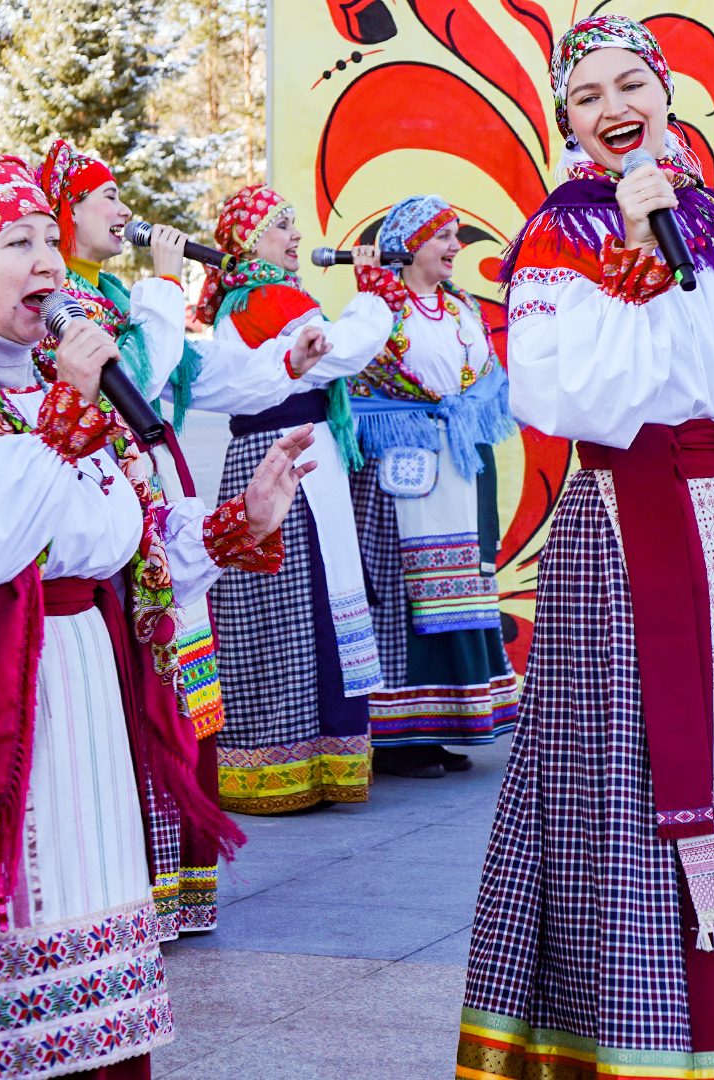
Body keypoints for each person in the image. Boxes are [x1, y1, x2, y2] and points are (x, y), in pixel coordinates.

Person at [457, 19, 714, 1078]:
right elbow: (555, 393)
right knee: (625, 769)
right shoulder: (558, 234)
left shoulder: (711, 222)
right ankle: (637, 1033)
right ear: (568, 121)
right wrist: (630, 273)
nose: (613, 105)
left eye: (632, 83)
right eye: (586, 95)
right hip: (624, 524)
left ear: (668, 100)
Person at [0, 154, 304, 1077]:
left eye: (46, 241)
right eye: (14, 242)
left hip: (86, 678)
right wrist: (65, 410)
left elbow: (126, 535)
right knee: (2, 926)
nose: (49, 264)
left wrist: (237, 522)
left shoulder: (70, 391)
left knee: (93, 906)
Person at [31, 136, 235, 934]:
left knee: (179, 666)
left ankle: (178, 881)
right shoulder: (66, 304)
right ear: (65, 213)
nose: (124, 211)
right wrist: (160, 285)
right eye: (105, 197)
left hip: (149, 473)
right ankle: (143, 882)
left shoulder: (106, 289)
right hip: (107, 488)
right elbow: (141, 377)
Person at [195, 184, 395, 813]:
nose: (295, 233)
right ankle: (288, 762)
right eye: (281, 223)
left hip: (294, 452)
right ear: (248, 238)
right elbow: (338, 354)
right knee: (295, 607)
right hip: (286, 456)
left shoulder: (256, 296)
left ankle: (298, 761)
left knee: (299, 608)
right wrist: (372, 298)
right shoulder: (266, 297)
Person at [343, 194, 521, 780]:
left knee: (458, 589)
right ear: (411, 244)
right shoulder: (378, 309)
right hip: (403, 475)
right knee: (405, 596)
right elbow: (357, 389)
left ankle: (446, 723)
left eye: (455, 238)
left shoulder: (461, 305)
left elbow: (486, 377)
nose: (454, 249)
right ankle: (399, 737)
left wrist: (462, 411)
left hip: (458, 462)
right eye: (443, 237)